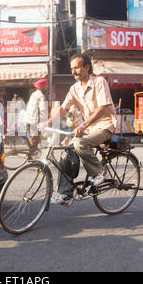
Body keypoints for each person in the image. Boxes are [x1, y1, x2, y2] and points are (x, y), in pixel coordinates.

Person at [41, 53, 117, 206]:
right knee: (66, 153)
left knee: (80, 143)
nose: (73, 71)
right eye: (72, 68)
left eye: (76, 67)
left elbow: (102, 109)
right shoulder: (74, 89)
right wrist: (46, 123)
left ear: (86, 67)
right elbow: (63, 109)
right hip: (89, 129)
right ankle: (65, 193)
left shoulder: (99, 82)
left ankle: (100, 172)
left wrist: (83, 125)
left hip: (105, 125)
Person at [24, 78, 48, 150]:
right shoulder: (41, 96)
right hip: (34, 120)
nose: (47, 87)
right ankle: (29, 154)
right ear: (43, 87)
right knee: (35, 138)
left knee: (32, 137)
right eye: (46, 86)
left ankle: (30, 151)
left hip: (28, 119)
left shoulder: (34, 94)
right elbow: (43, 110)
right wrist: (45, 121)